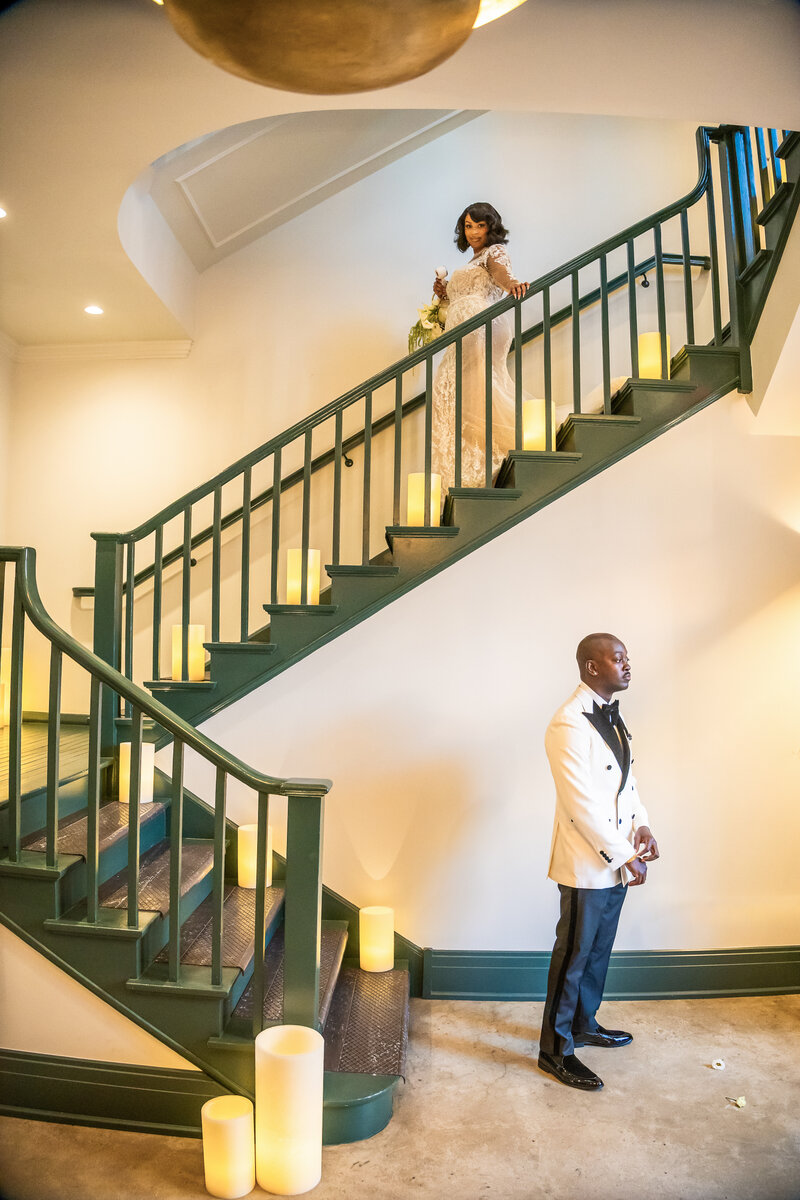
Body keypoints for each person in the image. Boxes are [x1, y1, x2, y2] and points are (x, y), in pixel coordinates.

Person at [538, 633, 660, 1092]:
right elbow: (581, 805)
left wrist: (641, 826)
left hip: (614, 859)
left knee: (597, 952)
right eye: (618, 658)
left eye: (627, 657)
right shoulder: (567, 724)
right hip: (586, 864)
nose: (627, 665)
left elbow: (625, 786)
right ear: (592, 667)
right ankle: (554, 1050)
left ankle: (585, 1024)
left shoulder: (613, 716)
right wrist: (626, 855)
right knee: (572, 957)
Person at [430, 203, 528, 493]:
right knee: (461, 392)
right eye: (468, 226)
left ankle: (489, 461)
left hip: (482, 324)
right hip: (466, 330)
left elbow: (500, 273)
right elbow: (463, 292)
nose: (473, 232)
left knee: (473, 388)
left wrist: (512, 284)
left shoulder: (493, 253)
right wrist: (445, 292)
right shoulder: (472, 261)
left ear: (491, 227)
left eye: (480, 226)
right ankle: (474, 466)